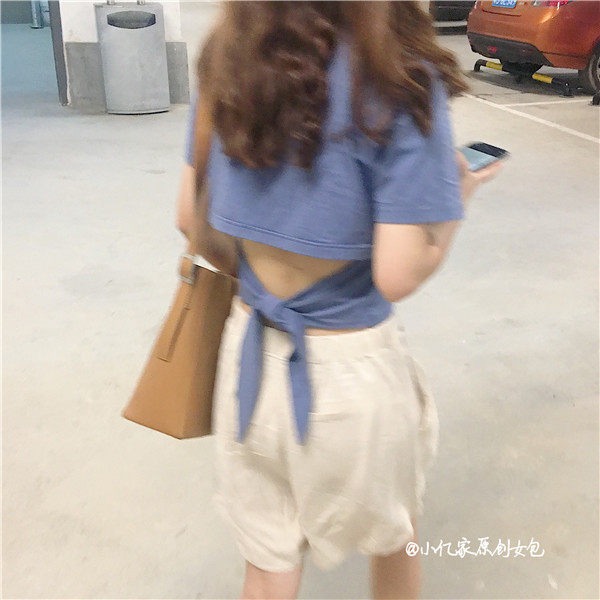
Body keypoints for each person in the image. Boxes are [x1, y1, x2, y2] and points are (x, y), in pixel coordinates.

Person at [176, 2, 503, 598]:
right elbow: (397, 273)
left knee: (267, 567)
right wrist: (455, 202)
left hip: (246, 365)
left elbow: (189, 219)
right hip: (351, 375)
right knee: (395, 539)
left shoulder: (228, 57)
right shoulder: (400, 77)